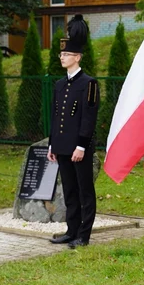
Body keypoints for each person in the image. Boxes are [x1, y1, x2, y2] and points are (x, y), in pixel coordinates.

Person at [48, 15, 100, 249]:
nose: (62, 57)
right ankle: (71, 231)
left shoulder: (89, 83)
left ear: (77, 57)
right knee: (69, 190)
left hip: (79, 147)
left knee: (84, 190)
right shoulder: (60, 84)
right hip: (62, 146)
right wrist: (52, 144)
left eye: (66, 54)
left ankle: (84, 235)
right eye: (61, 54)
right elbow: (56, 115)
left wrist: (81, 145)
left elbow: (88, 117)